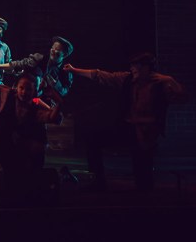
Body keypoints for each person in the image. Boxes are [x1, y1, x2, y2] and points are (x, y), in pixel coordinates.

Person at [64, 52, 185, 191]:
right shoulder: (128, 79)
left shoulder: (162, 81)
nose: (133, 69)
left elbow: (182, 97)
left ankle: (145, 193)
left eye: (136, 66)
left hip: (147, 131)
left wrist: (174, 92)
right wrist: (74, 70)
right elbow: (102, 75)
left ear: (146, 67)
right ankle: (99, 181)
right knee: (93, 139)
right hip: (129, 127)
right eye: (132, 66)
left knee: (142, 172)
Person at [0, 72, 62, 205]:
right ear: (16, 88)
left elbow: (52, 117)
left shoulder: (35, 107)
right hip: (7, 149)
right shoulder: (7, 96)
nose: (24, 92)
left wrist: (59, 102)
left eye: (28, 89)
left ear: (34, 91)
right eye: (22, 88)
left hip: (26, 151)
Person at [0, 36, 75, 103]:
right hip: (27, 98)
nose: (53, 51)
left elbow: (64, 92)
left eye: (57, 50)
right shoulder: (40, 58)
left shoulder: (66, 71)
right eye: (53, 48)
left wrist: (55, 83)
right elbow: (18, 64)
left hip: (46, 104)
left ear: (64, 54)